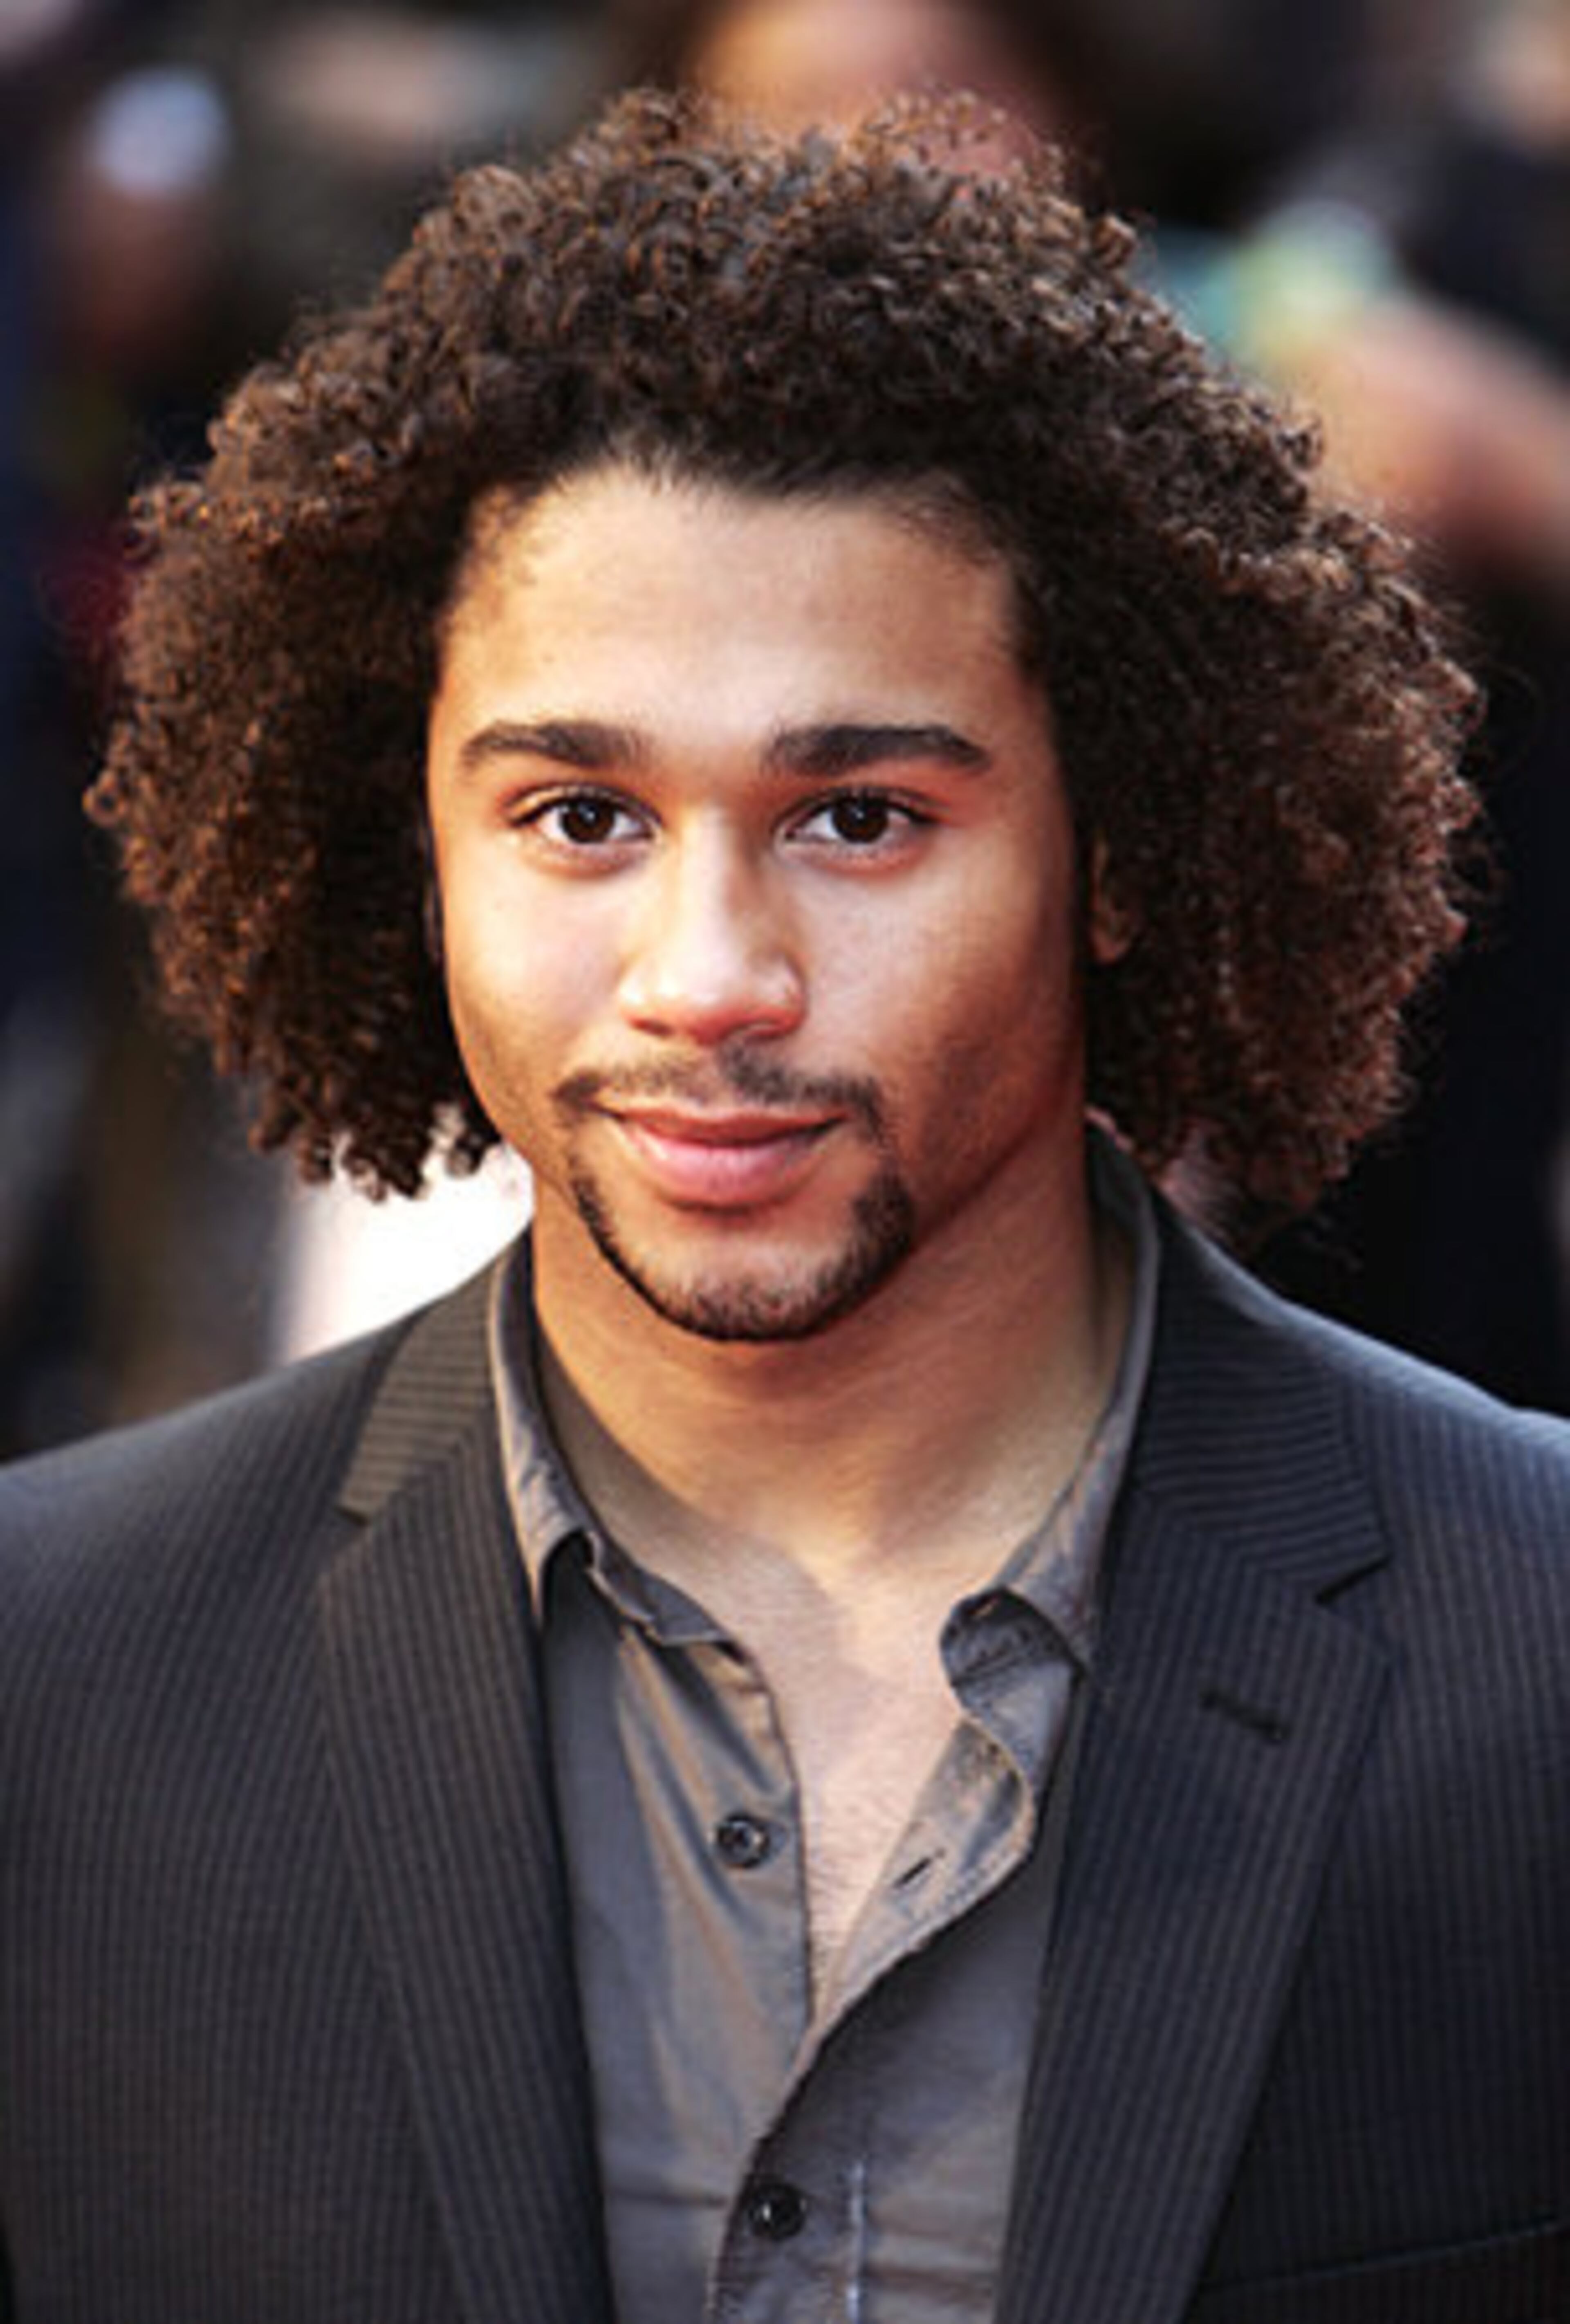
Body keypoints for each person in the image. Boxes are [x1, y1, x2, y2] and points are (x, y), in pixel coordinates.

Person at [0, 88, 1564, 2324]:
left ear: (1116, 850)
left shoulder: (1539, 1656)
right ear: (404, 847)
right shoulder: (49, 1683)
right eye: (575, 816)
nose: (707, 979)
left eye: (854, 818)